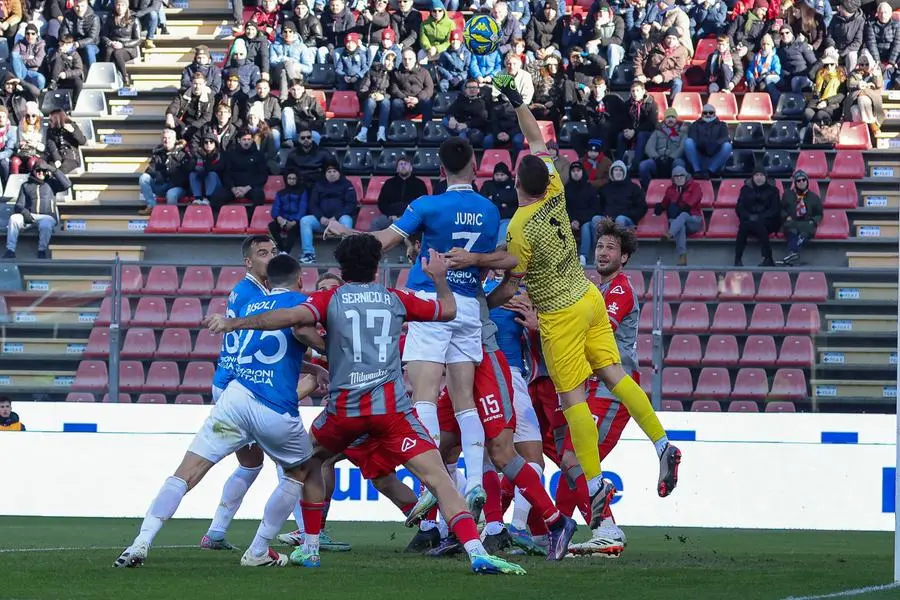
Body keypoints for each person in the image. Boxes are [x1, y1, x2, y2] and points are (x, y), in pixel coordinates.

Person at [206, 234, 526, 575]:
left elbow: (289, 318)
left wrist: (235, 323)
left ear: (341, 268)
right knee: (439, 480)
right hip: (391, 412)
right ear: (378, 267)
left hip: (344, 412)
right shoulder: (395, 298)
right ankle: (477, 553)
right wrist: (439, 279)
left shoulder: (329, 298)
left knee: (309, 461)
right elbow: (447, 311)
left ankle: (310, 547)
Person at [470, 73, 680, 535]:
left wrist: (479, 282)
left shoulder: (521, 225)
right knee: (614, 374)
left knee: (573, 401)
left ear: (516, 189)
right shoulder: (558, 192)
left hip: (562, 314)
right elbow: (534, 138)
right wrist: (517, 100)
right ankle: (663, 443)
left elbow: (509, 275)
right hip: (587, 295)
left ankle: (595, 480)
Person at [323, 137, 510, 520]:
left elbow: (382, 243)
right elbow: (494, 259)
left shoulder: (427, 205)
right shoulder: (490, 210)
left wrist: (343, 233)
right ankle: (473, 481)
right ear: (474, 166)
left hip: (431, 303)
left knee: (423, 394)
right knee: (463, 400)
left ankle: (432, 484)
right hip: (470, 305)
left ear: (440, 169)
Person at [116, 254, 329, 569]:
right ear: (300, 279)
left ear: (268, 282)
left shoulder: (248, 307)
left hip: (235, 399)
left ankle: (141, 542)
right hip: (273, 408)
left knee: (185, 473)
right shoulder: (303, 304)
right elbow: (305, 337)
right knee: (302, 472)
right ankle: (258, 550)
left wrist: (305, 364)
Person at [565, 218, 635, 556]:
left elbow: (601, 330)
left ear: (624, 258)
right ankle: (560, 528)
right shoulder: (597, 290)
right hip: (594, 387)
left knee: (576, 459)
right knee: (570, 459)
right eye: (600, 246)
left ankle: (607, 529)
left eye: (611, 248)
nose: (603, 252)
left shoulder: (620, 289)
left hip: (613, 390)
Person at [200, 235, 275, 551]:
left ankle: (215, 533)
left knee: (251, 463)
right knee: (297, 463)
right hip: (239, 386)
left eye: (274, 251)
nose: (270, 257)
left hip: (230, 382)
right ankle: (308, 535)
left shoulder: (255, 290)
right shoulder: (251, 295)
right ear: (248, 262)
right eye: (262, 253)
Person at [4, 161, 70, 260]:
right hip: (30, 215)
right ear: (34, 171)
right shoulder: (26, 185)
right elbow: (19, 205)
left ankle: (41, 250)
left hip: (47, 216)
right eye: (38, 170)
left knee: (45, 224)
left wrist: (51, 168)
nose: (41, 173)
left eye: (44, 171)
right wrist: (24, 213)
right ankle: (10, 250)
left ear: (47, 172)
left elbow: (67, 184)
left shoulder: (52, 183)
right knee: (14, 218)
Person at [299, 161, 356, 263]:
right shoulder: (319, 185)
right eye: (329, 171)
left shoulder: (347, 184)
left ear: (339, 173)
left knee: (347, 219)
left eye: (334, 171)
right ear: (325, 174)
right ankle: (308, 254)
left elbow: (351, 205)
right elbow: (313, 204)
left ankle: (345, 254)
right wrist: (321, 217)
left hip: (339, 221)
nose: (332, 173)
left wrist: (336, 217)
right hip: (322, 221)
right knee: (305, 220)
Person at [653, 165, 702, 265]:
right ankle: (682, 257)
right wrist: (659, 208)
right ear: (673, 178)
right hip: (680, 223)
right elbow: (664, 204)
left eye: (681, 176)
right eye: (676, 176)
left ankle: (670, 234)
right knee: (680, 225)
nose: (679, 178)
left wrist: (686, 205)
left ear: (686, 176)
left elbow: (695, 199)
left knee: (683, 215)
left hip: (693, 219)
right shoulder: (670, 190)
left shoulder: (695, 186)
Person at [734, 166, 781, 266]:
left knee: (759, 224)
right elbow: (740, 207)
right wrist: (748, 216)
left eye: (761, 175)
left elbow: (775, 210)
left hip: (769, 221)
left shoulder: (773, 190)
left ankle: (768, 258)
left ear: (766, 177)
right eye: (756, 175)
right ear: (752, 177)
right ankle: (737, 258)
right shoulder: (745, 190)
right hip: (749, 220)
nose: (759, 178)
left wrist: (760, 217)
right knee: (743, 227)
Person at [138, 129, 190, 215]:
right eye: (164, 138)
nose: (166, 140)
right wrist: (159, 175)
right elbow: (150, 170)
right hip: (161, 184)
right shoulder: (158, 153)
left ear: (174, 140)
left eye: (169, 138)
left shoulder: (182, 154)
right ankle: (152, 206)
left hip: (177, 186)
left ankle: (170, 216)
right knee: (143, 178)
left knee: (171, 194)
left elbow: (184, 175)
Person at [779, 169, 823, 265]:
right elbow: (781, 209)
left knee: (805, 231)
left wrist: (813, 221)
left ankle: (793, 252)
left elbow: (819, 214)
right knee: (791, 229)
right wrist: (786, 216)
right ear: (795, 183)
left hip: (807, 222)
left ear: (807, 181)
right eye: (799, 180)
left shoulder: (814, 197)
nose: (801, 182)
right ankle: (793, 253)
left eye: (804, 180)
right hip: (792, 221)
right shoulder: (787, 195)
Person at [373, 156, 427, 231]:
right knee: (376, 223)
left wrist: (406, 216)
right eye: (401, 164)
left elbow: (422, 203)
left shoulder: (420, 183)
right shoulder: (389, 183)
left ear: (411, 168)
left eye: (406, 164)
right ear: (397, 169)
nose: (403, 166)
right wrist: (390, 215)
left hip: (411, 217)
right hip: (391, 217)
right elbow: (382, 203)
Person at [614, 80, 658, 172]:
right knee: (621, 136)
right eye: (633, 91)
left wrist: (635, 131)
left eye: (637, 91)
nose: (635, 93)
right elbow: (623, 120)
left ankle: (636, 165)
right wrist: (626, 130)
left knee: (641, 135)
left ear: (643, 91)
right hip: (631, 131)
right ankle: (619, 165)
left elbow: (651, 123)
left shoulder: (651, 104)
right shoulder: (627, 104)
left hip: (647, 133)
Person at [220, 128, 268, 207]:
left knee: (259, 196)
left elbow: (263, 176)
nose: (247, 142)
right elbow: (226, 174)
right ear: (239, 140)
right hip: (234, 188)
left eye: (249, 139)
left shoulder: (259, 155)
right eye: (244, 139)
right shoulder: (231, 154)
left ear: (252, 140)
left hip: (251, 188)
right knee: (217, 197)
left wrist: (247, 188)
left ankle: (251, 217)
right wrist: (233, 188)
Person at [640, 107, 687, 188]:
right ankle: (649, 188)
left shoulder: (682, 132)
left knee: (680, 164)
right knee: (643, 166)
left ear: (676, 119)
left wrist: (672, 158)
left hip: (673, 160)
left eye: (673, 117)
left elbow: (682, 148)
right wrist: (656, 157)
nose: (670, 119)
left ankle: (678, 190)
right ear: (664, 119)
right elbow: (649, 147)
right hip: (658, 159)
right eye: (668, 117)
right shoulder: (657, 131)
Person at [633, 27, 687, 97]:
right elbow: (638, 57)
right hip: (648, 77)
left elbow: (677, 70)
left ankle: (673, 105)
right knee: (636, 82)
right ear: (664, 38)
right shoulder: (653, 44)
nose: (671, 41)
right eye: (669, 38)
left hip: (667, 79)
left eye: (674, 39)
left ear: (677, 40)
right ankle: (637, 104)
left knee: (677, 82)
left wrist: (663, 76)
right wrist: (639, 74)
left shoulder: (681, 51)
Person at [843, 50, 885, 138]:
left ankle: (872, 127)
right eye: (862, 64)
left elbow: (878, 85)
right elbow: (850, 84)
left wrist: (876, 75)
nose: (864, 66)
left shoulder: (875, 72)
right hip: (855, 102)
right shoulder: (854, 73)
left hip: (872, 102)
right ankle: (868, 128)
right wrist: (860, 84)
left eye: (867, 64)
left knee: (863, 99)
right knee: (854, 110)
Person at [355, 51, 395, 144]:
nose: (390, 63)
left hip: (385, 104)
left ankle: (381, 133)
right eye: (388, 60)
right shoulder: (372, 71)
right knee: (370, 101)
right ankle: (363, 133)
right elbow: (362, 89)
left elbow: (394, 91)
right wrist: (371, 94)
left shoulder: (394, 74)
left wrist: (383, 96)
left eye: (393, 61)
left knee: (386, 102)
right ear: (383, 60)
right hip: (369, 103)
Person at [565, 161, 600, 265]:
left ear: (582, 172)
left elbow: (595, 210)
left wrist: (578, 221)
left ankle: (583, 257)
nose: (576, 173)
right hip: (570, 221)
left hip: (586, 221)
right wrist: (572, 221)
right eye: (573, 171)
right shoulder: (565, 189)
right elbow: (564, 208)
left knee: (586, 226)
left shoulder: (590, 188)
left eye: (578, 170)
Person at [683, 103, 732, 178]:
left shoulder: (722, 125)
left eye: (711, 112)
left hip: (715, 157)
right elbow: (693, 138)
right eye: (705, 113)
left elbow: (726, 138)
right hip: (699, 156)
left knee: (727, 146)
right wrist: (705, 144)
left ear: (714, 113)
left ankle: (710, 171)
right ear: (702, 114)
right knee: (688, 142)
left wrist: (715, 144)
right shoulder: (694, 125)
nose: (708, 114)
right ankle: (697, 172)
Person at [165, 71, 214, 143]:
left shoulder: (210, 96)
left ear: (205, 83)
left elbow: (207, 117)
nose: (197, 87)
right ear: (191, 83)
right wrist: (169, 115)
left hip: (198, 125)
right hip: (183, 123)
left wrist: (189, 127)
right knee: (171, 119)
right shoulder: (183, 93)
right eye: (195, 84)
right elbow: (174, 105)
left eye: (200, 84)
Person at [597, 160, 647, 230]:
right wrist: (605, 215)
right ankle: (599, 241)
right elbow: (599, 206)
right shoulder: (605, 188)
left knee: (620, 219)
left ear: (624, 173)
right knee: (596, 219)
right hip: (608, 219)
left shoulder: (634, 188)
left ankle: (619, 241)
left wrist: (625, 214)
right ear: (612, 172)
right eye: (616, 170)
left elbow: (641, 208)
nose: (618, 172)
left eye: (621, 170)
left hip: (627, 220)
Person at [101, 0, 141, 88]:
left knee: (117, 52)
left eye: (122, 5)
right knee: (108, 51)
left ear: (126, 6)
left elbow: (138, 40)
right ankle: (105, 76)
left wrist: (123, 44)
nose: (120, 7)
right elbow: (103, 35)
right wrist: (110, 42)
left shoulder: (133, 19)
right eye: (118, 5)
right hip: (114, 45)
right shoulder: (110, 17)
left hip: (128, 48)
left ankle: (124, 77)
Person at [270, 22, 315, 98]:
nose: (288, 34)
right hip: (278, 74)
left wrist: (296, 65)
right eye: (285, 31)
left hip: (297, 74)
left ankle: (283, 98)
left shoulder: (301, 46)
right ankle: (295, 88)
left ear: (294, 33)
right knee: (286, 64)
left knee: (284, 71)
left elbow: (309, 68)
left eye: (290, 31)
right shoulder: (274, 46)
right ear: (281, 33)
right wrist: (285, 60)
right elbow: (272, 61)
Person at [389, 48, 435, 123]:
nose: (407, 62)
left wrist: (417, 98)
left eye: (410, 59)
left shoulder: (424, 72)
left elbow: (429, 88)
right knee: (396, 103)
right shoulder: (397, 73)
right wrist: (404, 98)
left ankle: (427, 129)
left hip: (419, 102)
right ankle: (398, 130)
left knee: (427, 102)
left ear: (415, 60)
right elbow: (394, 89)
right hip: (403, 101)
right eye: (405, 59)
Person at [285, 125, 335, 190]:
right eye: (303, 138)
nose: (306, 139)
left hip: (319, 187)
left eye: (308, 137)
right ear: (299, 140)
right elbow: (288, 174)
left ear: (312, 138)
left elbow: (334, 170)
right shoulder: (292, 155)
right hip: (300, 187)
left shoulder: (324, 153)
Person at [583, 2, 625, 78]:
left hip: (616, 51)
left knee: (613, 47)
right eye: (600, 12)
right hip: (601, 51)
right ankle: (592, 76)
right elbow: (589, 40)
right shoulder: (593, 21)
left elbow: (618, 39)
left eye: (604, 12)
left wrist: (599, 41)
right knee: (590, 46)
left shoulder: (618, 20)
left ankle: (611, 78)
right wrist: (597, 27)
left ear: (609, 12)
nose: (602, 14)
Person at [804, 48, 847, 123]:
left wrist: (826, 102)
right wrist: (821, 61)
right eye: (827, 64)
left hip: (833, 104)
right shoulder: (821, 73)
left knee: (821, 115)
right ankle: (814, 129)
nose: (829, 67)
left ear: (836, 64)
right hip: (817, 101)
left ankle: (823, 128)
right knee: (807, 113)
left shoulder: (841, 76)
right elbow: (810, 73)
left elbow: (841, 95)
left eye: (832, 64)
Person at [444, 78, 490, 147]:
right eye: (469, 87)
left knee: (463, 134)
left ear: (478, 90)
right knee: (445, 120)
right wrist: (452, 118)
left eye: (474, 87)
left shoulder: (483, 102)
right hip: (459, 126)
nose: (472, 89)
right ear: (466, 90)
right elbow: (450, 110)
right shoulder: (461, 99)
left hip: (476, 130)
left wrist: (466, 125)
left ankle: (460, 149)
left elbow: (482, 120)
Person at [281, 78, 326, 148]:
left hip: (309, 131)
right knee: (286, 110)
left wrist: (311, 128)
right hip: (295, 133)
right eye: (293, 89)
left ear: (303, 89)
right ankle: (289, 140)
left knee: (316, 136)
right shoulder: (285, 103)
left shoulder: (311, 101)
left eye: (298, 89)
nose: (296, 92)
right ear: (289, 90)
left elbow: (321, 116)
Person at [480, 162, 517, 242]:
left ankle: (500, 251)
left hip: (507, 218)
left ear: (507, 175)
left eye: (502, 175)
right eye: (497, 175)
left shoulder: (513, 184)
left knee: (504, 228)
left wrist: (494, 197)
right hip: (489, 218)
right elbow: (483, 201)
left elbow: (513, 198)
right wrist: (502, 204)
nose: (499, 177)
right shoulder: (487, 185)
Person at [866, 2, 900, 89]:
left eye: (885, 12)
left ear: (890, 13)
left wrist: (891, 62)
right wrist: (878, 62)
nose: (883, 15)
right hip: (878, 55)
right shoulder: (871, 25)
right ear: (877, 13)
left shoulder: (897, 25)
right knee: (865, 53)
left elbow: (897, 44)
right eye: (881, 12)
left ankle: (896, 83)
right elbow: (871, 44)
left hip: (892, 55)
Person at [45, 109, 87, 174]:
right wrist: (57, 160)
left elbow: (82, 141)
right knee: (48, 168)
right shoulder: (50, 131)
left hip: (71, 159)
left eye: (51, 120)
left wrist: (73, 131)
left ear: (57, 119)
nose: (49, 122)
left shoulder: (71, 125)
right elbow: (52, 147)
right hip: (57, 157)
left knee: (62, 169)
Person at [777, 25, 816, 93]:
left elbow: (813, 62)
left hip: (803, 77)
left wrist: (811, 76)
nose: (784, 35)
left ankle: (798, 102)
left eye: (787, 32)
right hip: (788, 78)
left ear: (792, 33)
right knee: (770, 79)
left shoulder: (801, 45)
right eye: (782, 33)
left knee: (795, 80)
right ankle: (777, 102)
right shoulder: (779, 50)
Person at [61, 0, 101, 69]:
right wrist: (69, 43)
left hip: (92, 45)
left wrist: (78, 43)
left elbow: (92, 38)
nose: (80, 9)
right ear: (73, 5)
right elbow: (64, 34)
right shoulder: (68, 16)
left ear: (87, 5)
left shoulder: (94, 18)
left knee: (88, 48)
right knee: (62, 48)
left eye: (82, 6)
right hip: (72, 44)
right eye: (77, 6)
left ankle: (92, 72)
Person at [827, 0, 864, 72]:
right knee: (828, 52)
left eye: (841, 7)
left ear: (848, 11)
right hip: (836, 48)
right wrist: (831, 46)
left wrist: (842, 54)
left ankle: (851, 79)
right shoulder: (835, 18)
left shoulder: (860, 21)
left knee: (852, 56)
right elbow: (830, 35)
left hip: (849, 50)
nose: (838, 8)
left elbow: (857, 42)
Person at [189, 134, 225, 206]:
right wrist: (195, 165)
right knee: (193, 174)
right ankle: (197, 198)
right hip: (202, 183)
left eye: (211, 142)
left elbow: (219, 168)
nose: (208, 144)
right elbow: (189, 168)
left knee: (211, 174)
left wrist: (205, 168)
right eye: (206, 142)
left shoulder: (220, 155)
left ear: (215, 143)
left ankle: (207, 198)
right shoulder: (198, 154)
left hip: (217, 184)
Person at [47, 35, 85, 103]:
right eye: (61, 43)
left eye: (65, 44)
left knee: (78, 82)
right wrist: (59, 52)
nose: (63, 46)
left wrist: (66, 74)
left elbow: (79, 70)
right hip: (55, 78)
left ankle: (75, 103)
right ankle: (53, 83)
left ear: (70, 45)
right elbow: (50, 63)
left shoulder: (75, 54)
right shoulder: (55, 52)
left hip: (68, 77)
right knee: (58, 59)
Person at [745, 33, 781, 101]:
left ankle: (776, 101)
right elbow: (750, 69)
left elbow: (777, 70)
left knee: (764, 85)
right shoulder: (757, 56)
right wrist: (750, 77)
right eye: (763, 44)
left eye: (768, 44)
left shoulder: (774, 57)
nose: (765, 46)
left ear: (771, 45)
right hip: (758, 77)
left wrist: (766, 74)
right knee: (752, 86)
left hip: (770, 77)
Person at [11, 103, 43, 175]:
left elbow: (44, 147)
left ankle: (31, 183)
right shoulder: (21, 126)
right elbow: (15, 144)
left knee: (32, 162)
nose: (30, 118)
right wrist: (20, 144)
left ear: (37, 116)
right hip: (22, 153)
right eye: (28, 116)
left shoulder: (41, 127)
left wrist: (35, 145)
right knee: (14, 161)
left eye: (33, 116)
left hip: (35, 153)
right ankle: (14, 181)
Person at [11, 24, 46, 91]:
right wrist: (29, 58)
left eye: (33, 33)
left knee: (40, 79)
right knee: (14, 55)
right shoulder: (20, 43)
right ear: (25, 35)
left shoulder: (41, 44)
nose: (30, 36)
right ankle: (19, 83)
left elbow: (38, 62)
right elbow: (14, 56)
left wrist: (22, 59)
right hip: (21, 71)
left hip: (34, 72)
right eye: (28, 33)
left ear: (36, 35)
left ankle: (37, 94)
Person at [419, 0, 453, 64]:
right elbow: (423, 38)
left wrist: (437, 49)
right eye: (434, 11)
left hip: (443, 49)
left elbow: (449, 41)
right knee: (421, 53)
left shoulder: (450, 23)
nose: (437, 13)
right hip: (429, 49)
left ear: (443, 11)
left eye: (440, 11)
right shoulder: (425, 24)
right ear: (431, 12)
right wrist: (428, 48)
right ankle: (423, 72)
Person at [0, 106, 16, 189]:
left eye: (3, 117)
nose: (1, 119)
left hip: (5, 156)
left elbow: (10, 150)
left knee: (4, 163)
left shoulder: (10, 130)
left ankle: (5, 185)